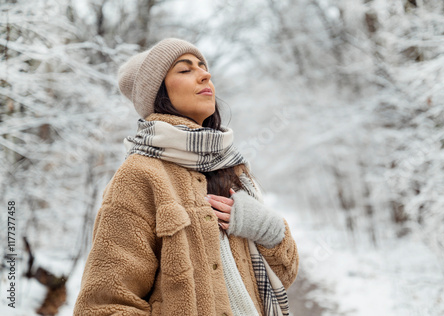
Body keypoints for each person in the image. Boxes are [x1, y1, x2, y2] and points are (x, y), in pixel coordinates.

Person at [74, 38, 299, 316]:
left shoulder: (232, 167)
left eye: (203, 67)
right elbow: (103, 306)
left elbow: (285, 275)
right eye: (185, 70)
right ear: (158, 93)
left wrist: (267, 227)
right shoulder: (139, 175)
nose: (206, 74)